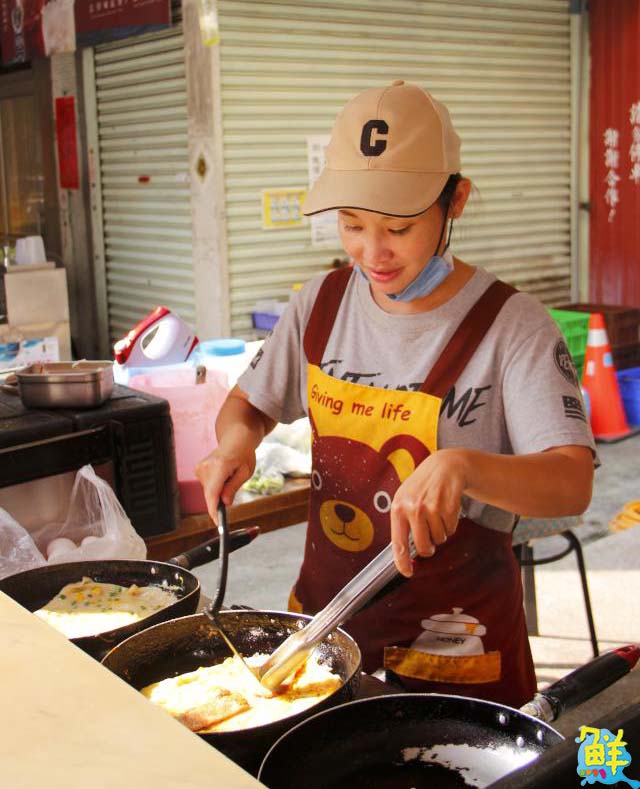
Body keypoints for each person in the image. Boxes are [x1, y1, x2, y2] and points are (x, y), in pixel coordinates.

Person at [196, 80, 595, 708]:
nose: (372, 253)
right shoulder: (321, 304)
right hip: (325, 634)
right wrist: (235, 446)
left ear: (455, 201)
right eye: (352, 225)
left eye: (399, 228)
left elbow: (571, 481)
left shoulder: (512, 326)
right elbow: (249, 404)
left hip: (462, 652)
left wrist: (463, 465)